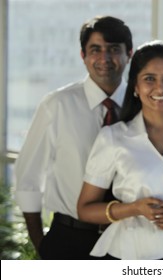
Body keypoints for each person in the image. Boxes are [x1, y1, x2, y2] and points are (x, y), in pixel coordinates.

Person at [77, 40, 163, 260]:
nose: (160, 88)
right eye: (149, 79)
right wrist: (135, 208)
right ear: (136, 88)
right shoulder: (113, 137)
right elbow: (85, 209)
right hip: (127, 253)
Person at [14, 15, 133, 259]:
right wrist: (42, 245)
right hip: (70, 239)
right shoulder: (57, 105)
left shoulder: (144, 105)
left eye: (114, 49)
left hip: (128, 239)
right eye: (95, 50)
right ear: (83, 55)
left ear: (129, 53)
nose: (105, 59)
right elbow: (29, 178)